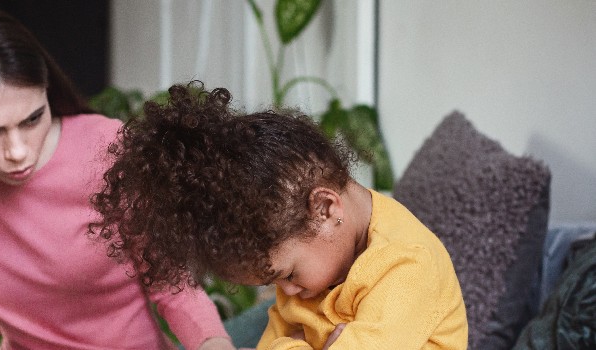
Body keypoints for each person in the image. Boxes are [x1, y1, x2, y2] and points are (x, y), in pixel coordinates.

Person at [0, 7, 235, 350]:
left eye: (32, 119)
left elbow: (170, 282)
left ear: (47, 92)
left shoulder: (107, 149)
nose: (17, 151)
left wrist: (214, 344)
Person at [89, 82, 469, 349]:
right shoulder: (313, 268)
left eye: (286, 274)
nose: (285, 292)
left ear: (325, 209)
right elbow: (276, 332)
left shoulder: (407, 268)